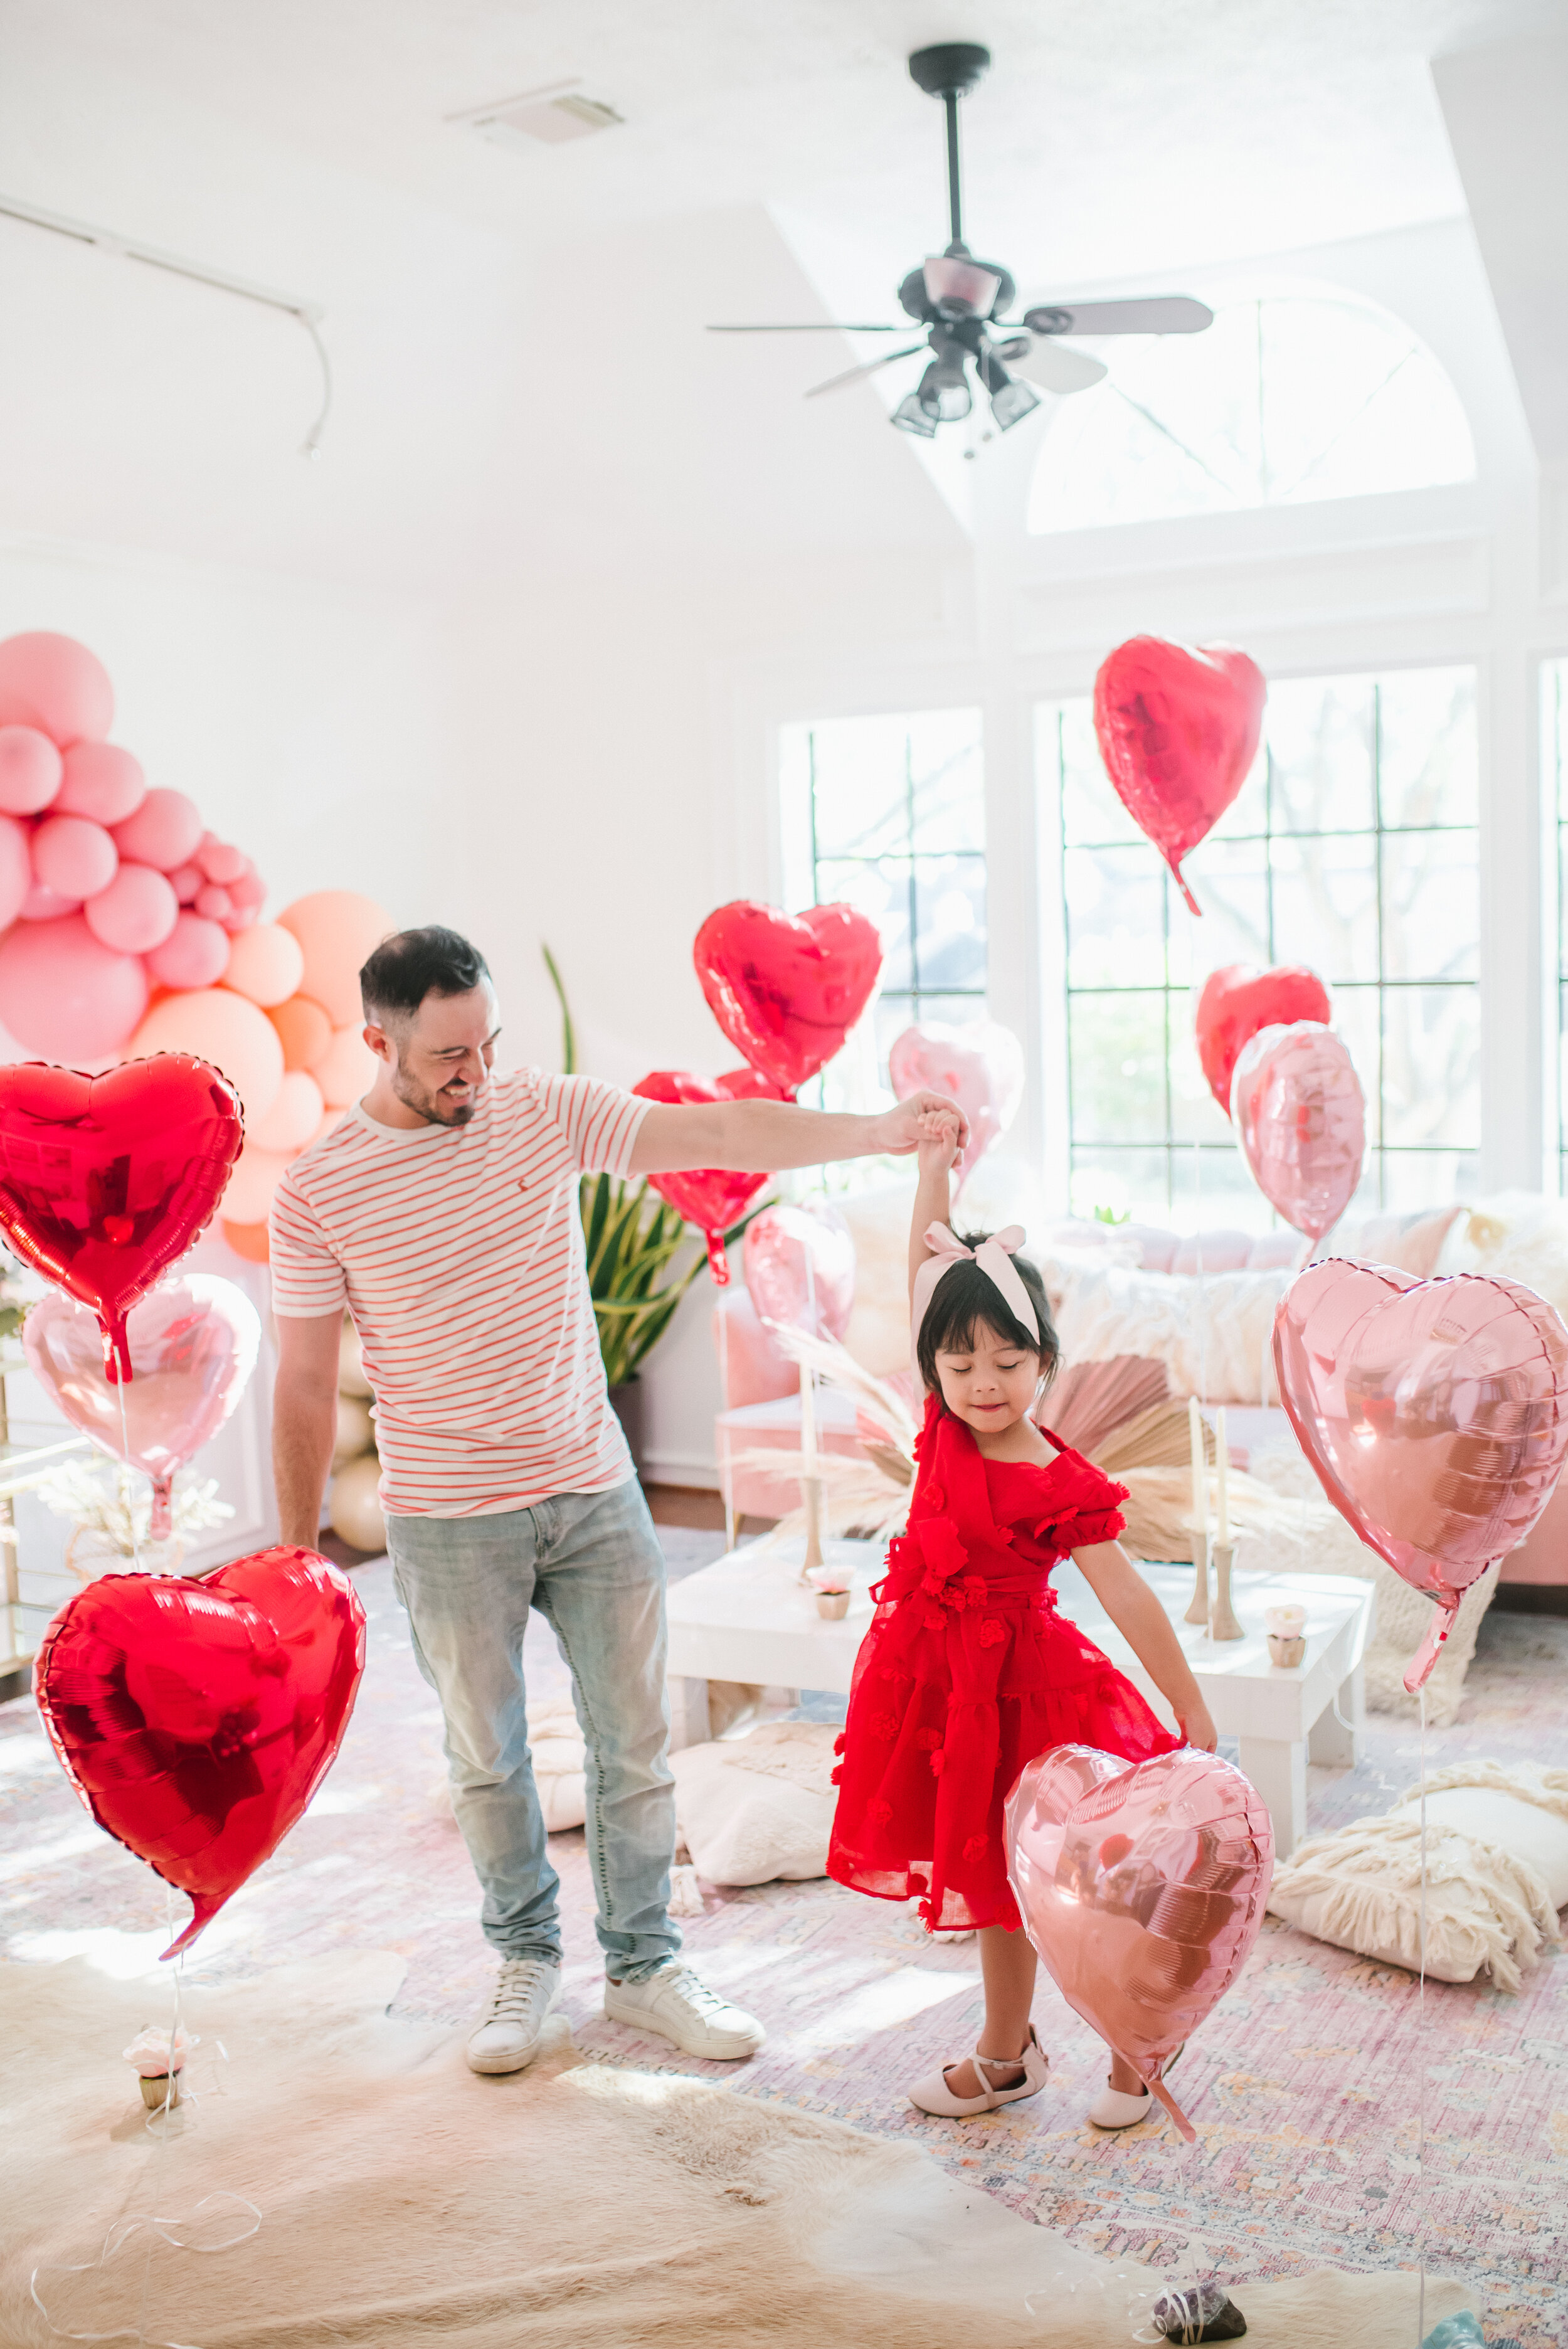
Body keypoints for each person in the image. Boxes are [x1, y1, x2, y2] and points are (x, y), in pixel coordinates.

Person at [268, 925, 968, 2079]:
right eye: (448, 1055)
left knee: (633, 1745)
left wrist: (877, 1133)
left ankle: (644, 1965)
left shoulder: (535, 1109)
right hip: (447, 1516)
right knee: (487, 1760)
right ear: (376, 1039)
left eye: (487, 1044)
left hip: (591, 1487)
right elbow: (302, 1381)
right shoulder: (322, 1190)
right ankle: (525, 1959)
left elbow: (722, 1129)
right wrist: (296, 1559)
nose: (475, 1075)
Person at [827, 1108, 1218, 2128]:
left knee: (1088, 1878)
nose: (983, 1383)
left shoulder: (1053, 1474)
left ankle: (1140, 2029)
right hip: (939, 1683)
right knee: (983, 1871)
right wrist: (930, 1166)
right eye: (961, 1366)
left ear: (1044, 1358)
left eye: (1008, 1361)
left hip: (1024, 1686)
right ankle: (1009, 2053)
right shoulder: (938, 1422)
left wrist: (1190, 1705)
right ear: (935, 1370)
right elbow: (928, 1264)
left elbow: (1127, 1591)